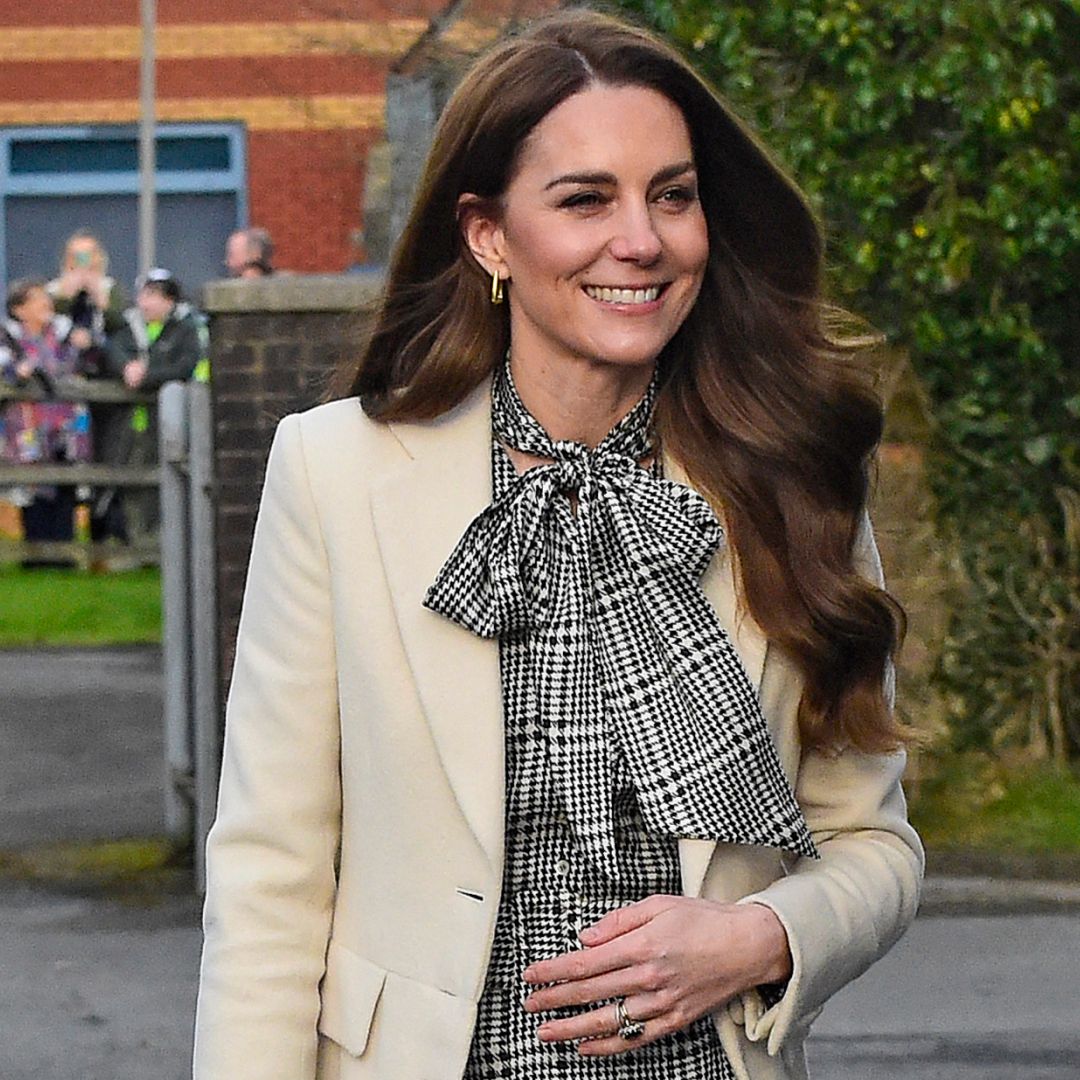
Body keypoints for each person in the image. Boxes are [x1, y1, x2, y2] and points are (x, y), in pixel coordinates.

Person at [194, 10, 922, 1080]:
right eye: (586, 199)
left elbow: (875, 846)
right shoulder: (336, 472)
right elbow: (271, 878)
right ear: (489, 234)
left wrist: (761, 936)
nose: (642, 240)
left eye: (672, 196)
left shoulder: (790, 473)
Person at [105, 268, 202, 540]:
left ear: (170, 300)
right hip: (131, 424)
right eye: (143, 295)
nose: (145, 302)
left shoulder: (185, 328)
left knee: (168, 481)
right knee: (132, 482)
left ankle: (163, 542)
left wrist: (146, 375)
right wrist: (125, 367)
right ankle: (136, 541)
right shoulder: (129, 326)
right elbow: (112, 351)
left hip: (170, 421)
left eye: (153, 296)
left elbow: (184, 365)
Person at [48, 230, 129, 540]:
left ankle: (104, 530)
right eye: (76, 255)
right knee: (66, 455)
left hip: (104, 386)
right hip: (65, 388)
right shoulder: (55, 291)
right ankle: (60, 533)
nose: (83, 262)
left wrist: (100, 297)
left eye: (89, 254)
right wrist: (65, 298)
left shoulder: (111, 290)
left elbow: (120, 326)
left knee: (106, 455)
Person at [0, 279, 92, 550]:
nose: (45, 304)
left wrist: (83, 345)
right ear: (19, 308)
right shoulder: (8, 337)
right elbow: (9, 369)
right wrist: (17, 372)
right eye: (37, 299)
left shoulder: (64, 333)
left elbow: (81, 364)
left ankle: (65, 552)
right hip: (28, 425)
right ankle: (36, 553)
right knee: (33, 489)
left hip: (65, 424)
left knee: (65, 486)